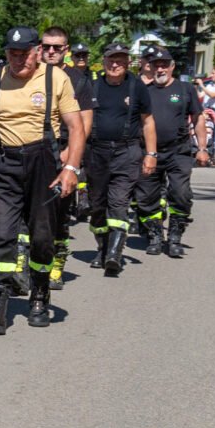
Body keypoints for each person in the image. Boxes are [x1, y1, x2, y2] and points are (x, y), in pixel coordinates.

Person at [0, 26, 88, 334]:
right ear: (5, 53)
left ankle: (39, 294)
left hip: (43, 164)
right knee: (4, 233)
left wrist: (71, 169)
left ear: (36, 51)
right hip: (4, 163)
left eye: (24, 53)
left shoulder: (54, 78)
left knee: (42, 237)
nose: (19, 59)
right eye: (12, 53)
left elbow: (76, 128)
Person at [85, 43, 157, 275]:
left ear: (128, 62)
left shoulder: (137, 87)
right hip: (96, 153)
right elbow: (80, 122)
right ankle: (103, 248)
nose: (115, 64)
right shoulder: (92, 86)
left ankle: (114, 254)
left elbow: (148, 122)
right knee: (97, 206)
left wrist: (151, 154)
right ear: (104, 61)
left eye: (120, 60)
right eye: (111, 60)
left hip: (127, 152)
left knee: (118, 202)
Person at [135, 48, 210, 258]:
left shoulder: (185, 89)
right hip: (149, 152)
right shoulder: (144, 91)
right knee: (146, 198)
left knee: (181, 193)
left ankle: (175, 237)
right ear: (150, 66)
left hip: (179, 151)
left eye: (164, 64)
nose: (160, 68)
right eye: (156, 64)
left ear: (172, 66)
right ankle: (155, 236)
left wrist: (202, 149)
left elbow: (198, 119)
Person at [41, 26, 94, 291]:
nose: (51, 51)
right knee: (31, 214)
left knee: (60, 215)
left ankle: (57, 266)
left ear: (66, 50)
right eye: (46, 46)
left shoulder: (79, 80)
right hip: (34, 151)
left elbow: (84, 126)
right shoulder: (30, 74)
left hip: (64, 152)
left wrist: (68, 156)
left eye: (57, 47)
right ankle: (27, 265)